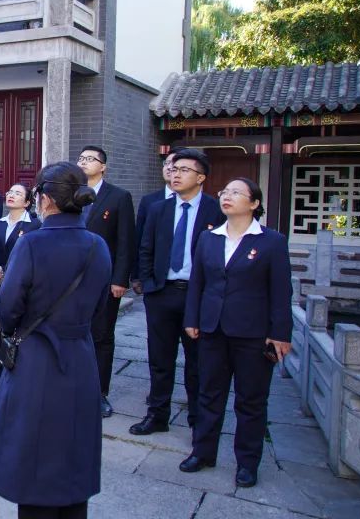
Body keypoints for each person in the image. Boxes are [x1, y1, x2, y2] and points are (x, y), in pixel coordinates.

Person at [0, 161, 109, 519]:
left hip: (37, 358)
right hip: (80, 357)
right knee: (74, 454)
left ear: (45, 198)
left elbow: (6, 307)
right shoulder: (98, 245)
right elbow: (100, 305)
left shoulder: (32, 243)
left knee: (34, 458)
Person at [180, 178, 292, 488]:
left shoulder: (272, 241)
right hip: (212, 329)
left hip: (253, 333)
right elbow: (197, 283)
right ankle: (202, 452)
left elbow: (281, 291)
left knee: (251, 400)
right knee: (208, 393)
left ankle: (247, 462)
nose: (226, 196)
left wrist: (280, 333)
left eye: (236, 193)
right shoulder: (209, 238)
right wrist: (192, 318)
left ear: (254, 203)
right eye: (224, 192)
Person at [132, 148, 225, 436]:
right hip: (162, 292)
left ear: (201, 177)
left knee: (198, 361)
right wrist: (148, 283)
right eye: (173, 169)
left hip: (198, 296)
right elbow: (145, 248)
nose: (175, 174)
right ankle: (157, 414)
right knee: (160, 358)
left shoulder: (215, 210)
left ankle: (197, 417)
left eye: (184, 170)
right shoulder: (159, 208)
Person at [77, 145, 134, 419]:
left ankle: (99, 392)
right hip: (70, 280)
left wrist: (120, 279)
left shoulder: (119, 197)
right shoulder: (72, 193)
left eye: (90, 159)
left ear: (103, 166)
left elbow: (125, 241)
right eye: (81, 158)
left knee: (101, 335)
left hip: (103, 279)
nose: (84, 162)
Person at [0, 182, 41, 391]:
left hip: (21, 285)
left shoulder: (34, 226)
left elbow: (30, 257)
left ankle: (20, 372)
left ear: (27, 202)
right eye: (10, 192)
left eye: (18, 193)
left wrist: (6, 271)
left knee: (19, 330)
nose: (11, 195)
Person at [131, 147, 185, 294]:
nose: (169, 167)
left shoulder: (206, 205)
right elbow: (139, 239)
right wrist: (137, 276)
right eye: (167, 163)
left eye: (175, 164)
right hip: (155, 282)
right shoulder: (149, 201)